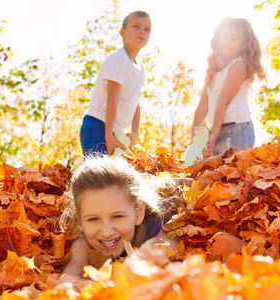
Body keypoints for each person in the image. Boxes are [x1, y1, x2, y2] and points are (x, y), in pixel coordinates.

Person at [58, 156, 177, 287]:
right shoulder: (83, 245)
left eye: (117, 217)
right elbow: (65, 282)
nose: (107, 232)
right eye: (93, 219)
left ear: (138, 213)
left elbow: (165, 258)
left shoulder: (157, 232)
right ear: (80, 221)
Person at [191, 17, 266, 157]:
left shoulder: (238, 66)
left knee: (233, 175)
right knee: (215, 175)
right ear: (217, 40)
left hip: (237, 129)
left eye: (234, 38)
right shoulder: (213, 70)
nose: (228, 42)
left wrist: (213, 136)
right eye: (224, 37)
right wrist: (194, 134)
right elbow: (202, 105)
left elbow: (223, 101)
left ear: (244, 44)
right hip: (217, 129)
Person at [80, 11, 151, 156]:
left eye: (146, 29)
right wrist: (108, 138)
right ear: (122, 32)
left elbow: (135, 101)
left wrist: (135, 132)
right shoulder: (118, 59)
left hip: (117, 132)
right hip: (98, 126)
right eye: (136, 26)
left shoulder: (141, 68)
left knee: (115, 177)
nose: (141, 32)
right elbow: (113, 99)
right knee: (98, 176)